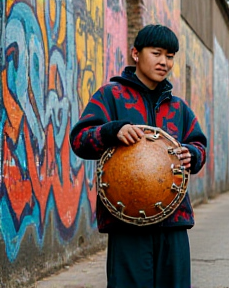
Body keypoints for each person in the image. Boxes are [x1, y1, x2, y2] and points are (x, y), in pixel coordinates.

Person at [70, 24, 207, 288]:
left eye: (170, 56)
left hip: (174, 222)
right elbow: (79, 139)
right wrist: (112, 131)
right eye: (156, 53)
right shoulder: (111, 96)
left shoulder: (178, 106)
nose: (164, 62)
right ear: (136, 54)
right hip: (126, 224)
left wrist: (192, 154)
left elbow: (199, 144)